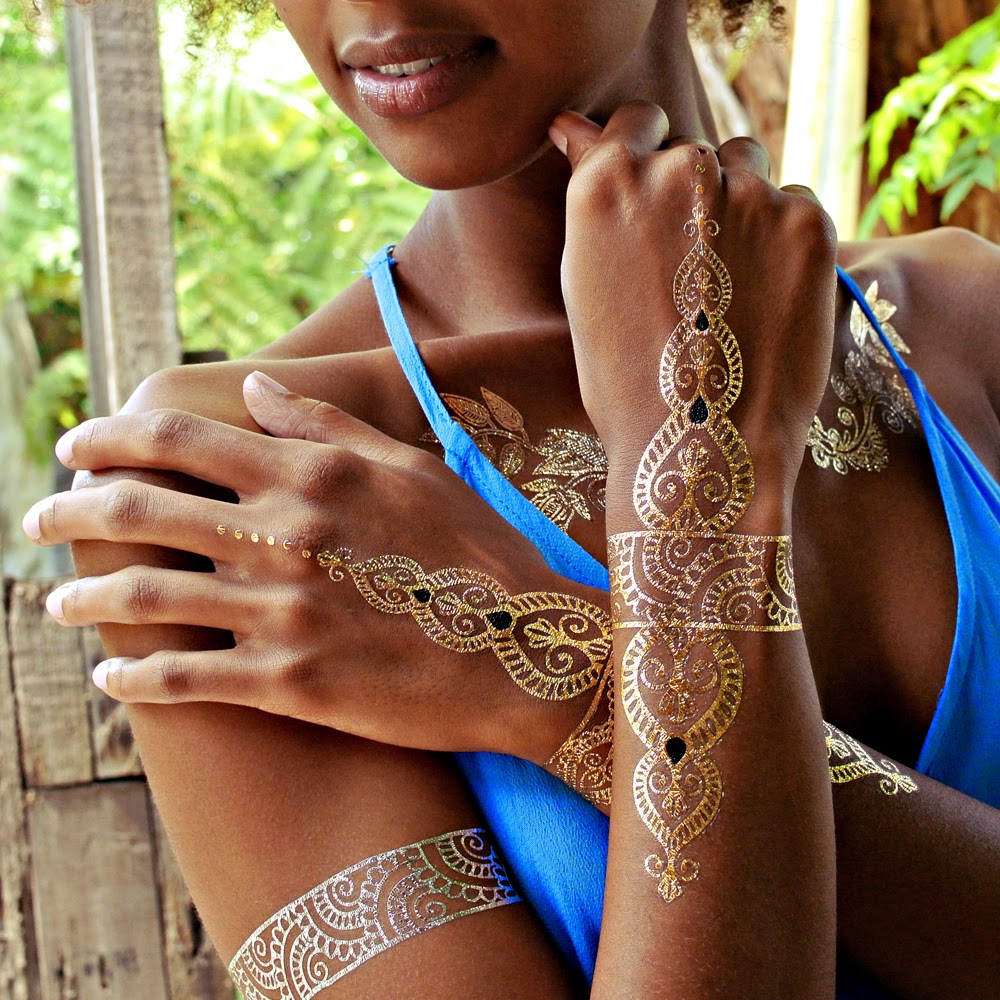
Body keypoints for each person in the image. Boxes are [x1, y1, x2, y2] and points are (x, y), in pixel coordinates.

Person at [22, 0, 1000, 997]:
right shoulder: (233, 481)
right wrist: (685, 502)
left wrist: (557, 661)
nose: (375, 7)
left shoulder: (971, 320)